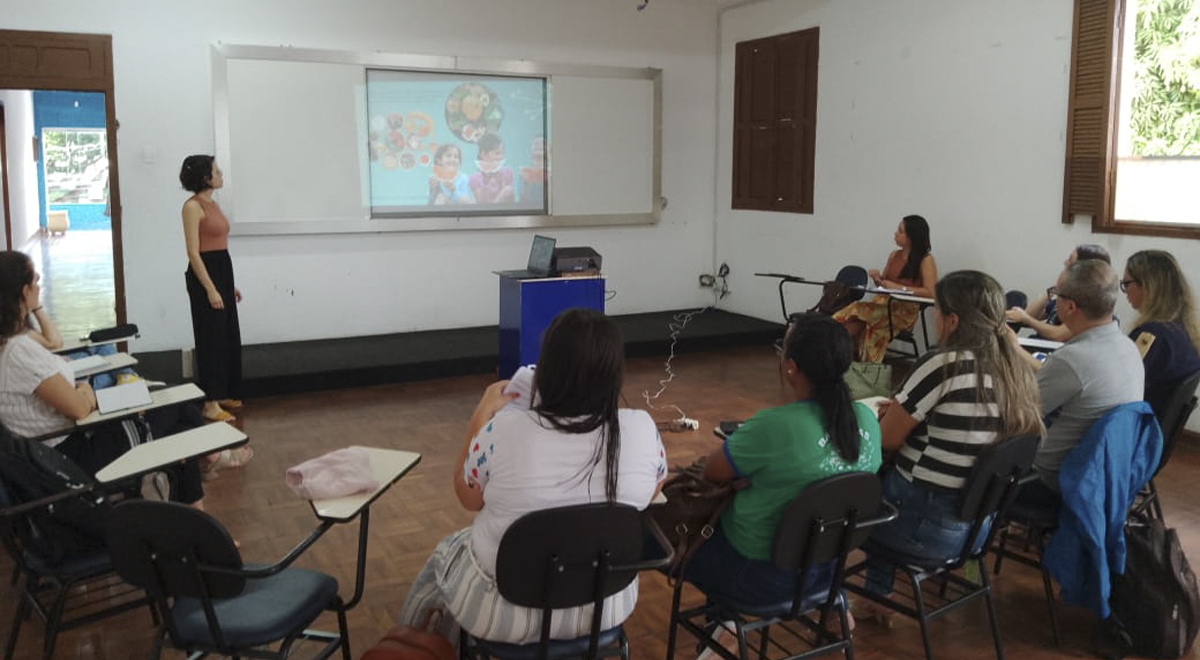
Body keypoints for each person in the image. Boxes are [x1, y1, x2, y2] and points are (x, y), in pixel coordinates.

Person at [397, 308, 666, 646]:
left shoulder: (505, 430)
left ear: (547, 369)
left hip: (504, 615)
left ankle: (413, 646)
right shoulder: (641, 428)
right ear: (615, 373)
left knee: (446, 553)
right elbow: (653, 489)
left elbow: (468, 497)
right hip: (604, 607)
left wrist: (481, 413)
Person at [681, 314, 882, 645]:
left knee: (667, 537)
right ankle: (833, 603)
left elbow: (712, 472)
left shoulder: (775, 425)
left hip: (760, 576)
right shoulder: (866, 418)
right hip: (827, 569)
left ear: (791, 367)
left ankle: (724, 624)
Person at [860, 271, 1043, 617]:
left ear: (953, 320)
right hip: (977, 530)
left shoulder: (943, 364)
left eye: (936, 310)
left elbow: (886, 439)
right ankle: (876, 597)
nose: (934, 317)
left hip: (922, 528)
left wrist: (893, 414)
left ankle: (873, 599)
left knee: (853, 492)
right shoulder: (1016, 370)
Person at [0, 251, 206, 506]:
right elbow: (78, 406)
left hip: (62, 446)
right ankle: (209, 472)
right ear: (23, 291)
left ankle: (199, 512)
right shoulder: (18, 352)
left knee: (179, 420)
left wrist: (79, 390)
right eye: (36, 279)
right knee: (179, 407)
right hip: (74, 453)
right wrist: (84, 389)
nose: (40, 284)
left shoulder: (11, 343)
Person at [1008, 259, 1144, 514]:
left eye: (1056, 295)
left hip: (1049, 483)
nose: (1053, 300)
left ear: (1069, 307)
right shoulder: (1128, 347)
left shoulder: (1071, 360)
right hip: (1103, 477)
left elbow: (1017, 419)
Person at [832, 215, 936, 363]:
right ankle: (830, 348)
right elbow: (884, 285)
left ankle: (867, 373)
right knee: (854, 322)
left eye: (900, 231)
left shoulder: (926, 260)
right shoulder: (894, 255)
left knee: (868, 324)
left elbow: (930, 293)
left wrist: (900, 288)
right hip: (882, 304)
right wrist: (877, 278)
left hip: (903, 311)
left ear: (911, 237)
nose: (895, 234)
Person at [1121, 249, 1200, 421]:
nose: (1125, 291)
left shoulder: (1152, 336)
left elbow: (1120, 387)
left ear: (1148, 286)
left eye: (1126, 284)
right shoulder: (1187, 330)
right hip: (1154, 429)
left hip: (1135, 428)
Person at [1005, 244, 1110, 342]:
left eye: (1070, 260)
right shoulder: (1064, 295)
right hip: (1038, 343)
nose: (1065, 262)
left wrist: (1026, 318)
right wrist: (1048, 294)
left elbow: (1058, 334)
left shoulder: (1088, 305)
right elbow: (1029, 317)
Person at [468, 133, 515, 204]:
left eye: (502, 153)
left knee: (508, 190)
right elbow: (481, 204)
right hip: (487, 214)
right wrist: (485, 182)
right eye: (497, 153)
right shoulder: (475, 178)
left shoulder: (508, 172)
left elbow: (511, 200)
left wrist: (501, 182)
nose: (501, 157)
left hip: (505, 213)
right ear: (484, 154)